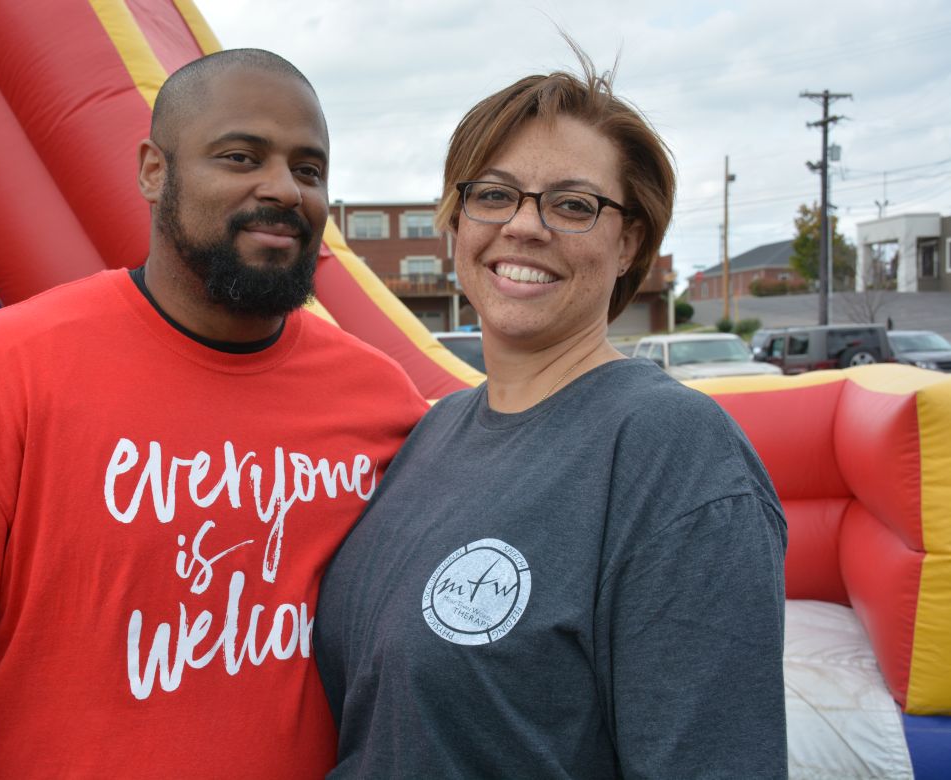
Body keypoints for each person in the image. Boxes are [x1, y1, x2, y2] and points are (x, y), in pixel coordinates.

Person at [0, 49, 426, 778]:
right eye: (241, 157)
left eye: (309, 169)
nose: (283, 188)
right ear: (154, 171)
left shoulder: (381, 401)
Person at [315, 47, 789, 778]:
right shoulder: (432, 434)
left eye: (572, 205)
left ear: (629, 242)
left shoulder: (673, 453)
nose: (524, 226)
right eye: (494, 194)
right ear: (457, 221)